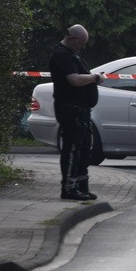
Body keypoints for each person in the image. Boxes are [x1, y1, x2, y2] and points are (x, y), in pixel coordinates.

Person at [49, 24, 103, 200]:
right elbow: (74, 80)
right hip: (70, 109)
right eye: (81, 43)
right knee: (72, 149)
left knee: (84, 148)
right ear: (71, 38)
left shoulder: (72, 56)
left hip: (81, 109)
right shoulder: (62, 55)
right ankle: (69, 188)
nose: (82, 47)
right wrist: (94, 78)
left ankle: (81, 185)